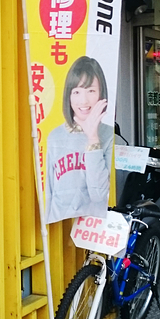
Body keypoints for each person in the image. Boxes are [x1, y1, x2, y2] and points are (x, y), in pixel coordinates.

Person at [44, 56, 113, 224]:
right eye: (76, 92)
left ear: (101, 94)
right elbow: (49, 192)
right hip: (60, 225)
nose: (83, 100)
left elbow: (99, 195)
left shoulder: (109, 136)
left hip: (93, 229)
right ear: (68, 96)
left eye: (91, 91)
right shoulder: (55, 136)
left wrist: (93, 138)